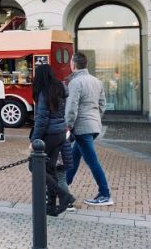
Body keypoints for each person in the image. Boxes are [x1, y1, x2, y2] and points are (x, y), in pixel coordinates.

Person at [65, 52, 113, 207]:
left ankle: (105, 194)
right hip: (93, 126)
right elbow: (102, 104)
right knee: (73, 157)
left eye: (70, 62)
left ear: (74, 65)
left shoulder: (75, 82)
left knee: (92, 161)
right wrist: (95, 119)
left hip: (82, 128)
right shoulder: (96, 81)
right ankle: (63, 187)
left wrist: (68, 125)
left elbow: (72, 106)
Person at [31, 64, 75, 216]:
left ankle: (64, 195)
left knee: (34, 166)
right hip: (60, 133)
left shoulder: (44, 92)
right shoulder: (60, 88)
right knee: (50, 168)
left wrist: (35, 139)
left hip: (49, 134)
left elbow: (42, 119)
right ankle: (51, 206)